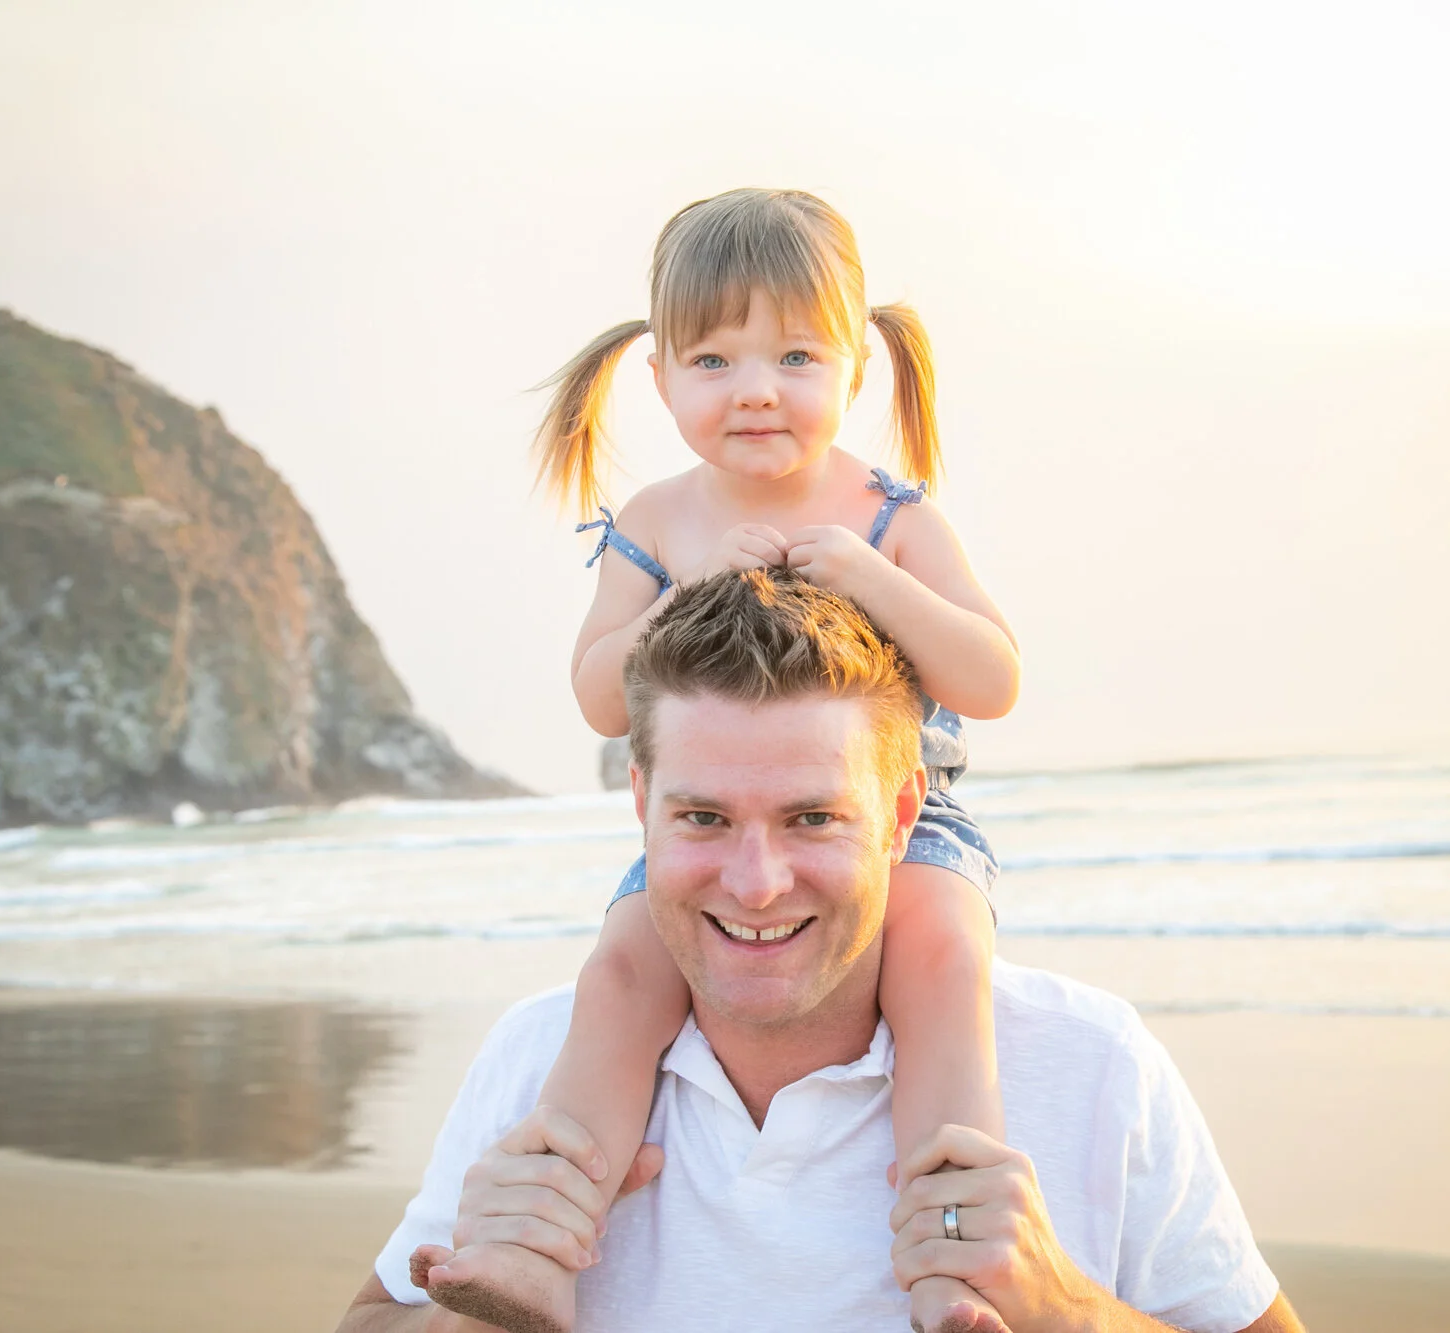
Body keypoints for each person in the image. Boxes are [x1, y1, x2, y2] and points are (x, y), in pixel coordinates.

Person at [337, 569, 1303, 1333]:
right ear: (642, 806)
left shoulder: (1092, 1067)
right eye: (704, 816)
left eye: (812, 818)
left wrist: (1064, 1309)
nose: (756, 882)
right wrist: (467, 1324)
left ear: (901, 815)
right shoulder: (536, 1060)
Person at [424, 188, 1022, 1333]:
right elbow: (602, 697)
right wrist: (682, 601)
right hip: (708, 820)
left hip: (903, 814)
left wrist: (872, 579)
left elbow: (990, 678)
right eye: (713, 357)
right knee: (618, 974)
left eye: (795, 354)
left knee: (941, 956)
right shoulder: (656, 522)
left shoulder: (890, 515)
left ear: (856, 366)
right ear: (659, 378)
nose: (754, 387)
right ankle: (540, 1241)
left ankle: (956, 1254)